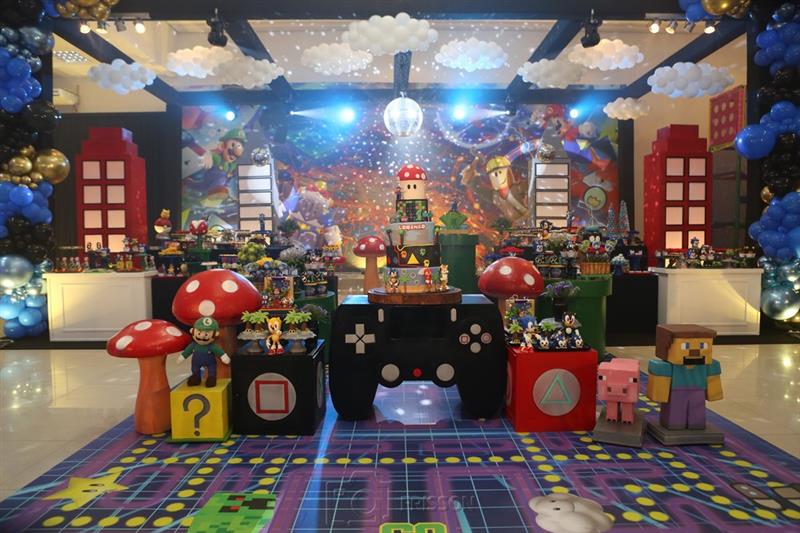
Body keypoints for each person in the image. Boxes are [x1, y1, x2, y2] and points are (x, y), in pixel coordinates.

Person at [178, 317, 230, 387]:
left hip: (210, 362)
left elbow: (219, 351)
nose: (202, 336)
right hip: (196, 362)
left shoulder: (212, 346)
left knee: (212, 369)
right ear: (192, 331)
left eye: (206, 334)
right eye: (199, 333)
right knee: (195, 369)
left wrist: (224, 356)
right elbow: (187, 351)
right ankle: (196, 377)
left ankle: (211, 378)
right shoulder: (193, 345)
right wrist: (182, 357)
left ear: (215, 334)